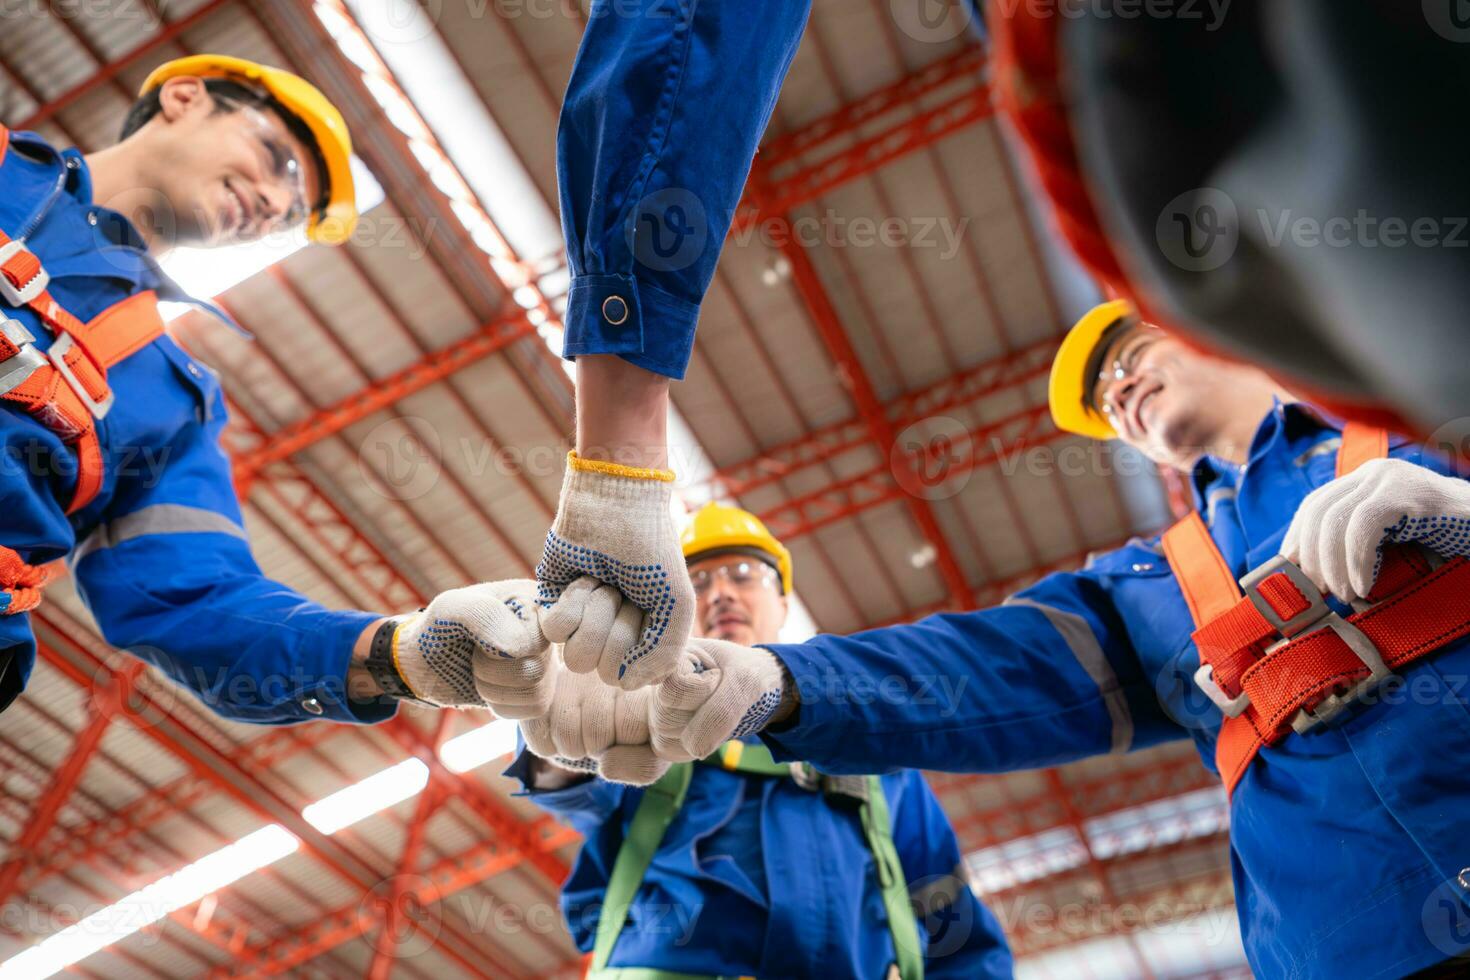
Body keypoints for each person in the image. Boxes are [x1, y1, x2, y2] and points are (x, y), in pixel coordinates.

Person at [537, 301, 1470, 978]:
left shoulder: (1431, 417)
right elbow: (977, 669)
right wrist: (775, 685)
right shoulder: (1154, 585)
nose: (1120, 388)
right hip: (1348, 949)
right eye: (1104, 397)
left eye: (1135, 348)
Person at [0, 55, 555, 724]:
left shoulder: (174, 406)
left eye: (289, 213)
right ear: (183, 97)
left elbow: (193, 599)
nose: (271, 204)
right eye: (278, 162)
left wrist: (400, 653)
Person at [513, 503, 1012, 979]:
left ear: (784, 602)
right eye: (697, 583)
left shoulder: (875, 758)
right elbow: (577, 789)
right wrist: (556, 721)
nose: (720, 593)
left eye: (744, 574)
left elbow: (951, 919)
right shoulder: (643, 721)